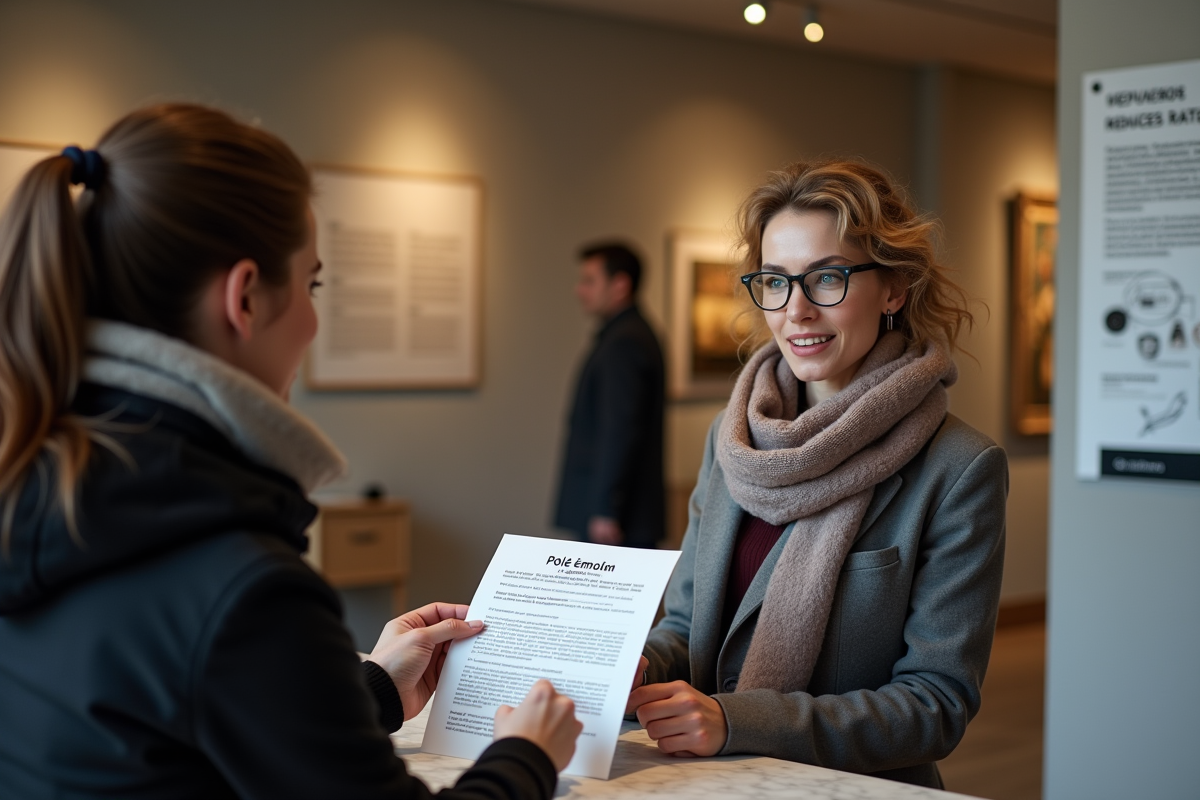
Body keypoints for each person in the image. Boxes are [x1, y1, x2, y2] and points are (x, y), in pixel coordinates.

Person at [0, 104, 581, 799]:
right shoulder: (240, 583)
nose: (312, 319)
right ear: (244, 297)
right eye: (312, 284)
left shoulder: (39, 491)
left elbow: (179, 728)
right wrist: (525, 754)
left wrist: (368, 688)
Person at [625, 159, 1008, 789]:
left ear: (894, 289)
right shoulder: (731, 440)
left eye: (826, 278)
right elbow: (688, 628)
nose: (795, 310)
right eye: (775, 282)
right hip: (709, 781)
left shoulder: (960, 468)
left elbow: (935, 704)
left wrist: (736, 721)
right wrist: (635, 667)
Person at [554, 242, 666, 548]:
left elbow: (620, 428)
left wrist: (606, 508)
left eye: (590, 281)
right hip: (617, 513)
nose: (580, 290)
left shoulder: (625, 341)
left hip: (616, 519)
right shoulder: (627, 334)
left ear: (620, 285)